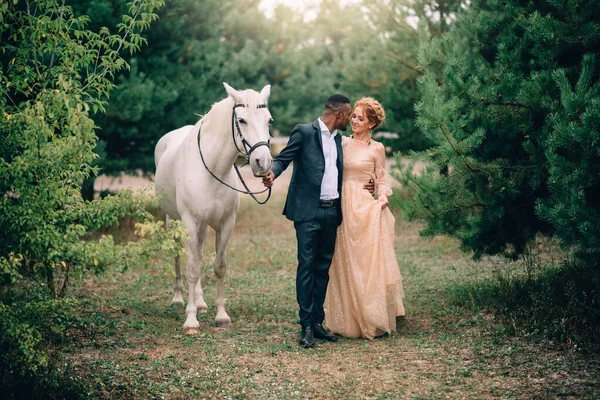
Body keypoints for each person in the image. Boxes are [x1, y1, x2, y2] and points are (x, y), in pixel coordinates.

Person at [262, 94, 372, 348]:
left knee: (323, 268)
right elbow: (283, 159)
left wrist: (370, 182)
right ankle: (306, 327)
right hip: (307, 213)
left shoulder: (338, 140)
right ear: (338, 115)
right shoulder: (304, 132)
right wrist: (271, 174)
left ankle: (318, 322)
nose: (350, 119)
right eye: (348, 115)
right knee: (307, 266)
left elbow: (354, 168)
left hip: (331, 213)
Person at [324, 97, 405, 339]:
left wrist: (382, 197)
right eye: (354, 117)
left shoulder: (376, 148)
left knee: (365, 262)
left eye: (360, 118)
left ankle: (370, 315)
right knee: (343, 260)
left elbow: (381, 179)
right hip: (341, 207)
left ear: (371, 123)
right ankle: (347, 319)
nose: (355, 121)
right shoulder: (342, 143)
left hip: (363, 206)